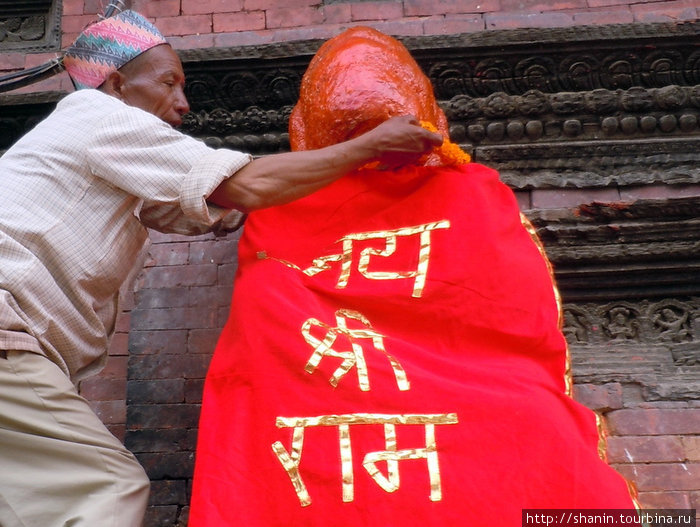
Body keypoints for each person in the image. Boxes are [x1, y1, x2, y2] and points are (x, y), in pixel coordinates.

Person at [0, 10, 442, 527]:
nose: (183, 104)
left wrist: (339, 178)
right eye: (168, 83)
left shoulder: (124, 173)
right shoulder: (93, 113)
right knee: (104, 489)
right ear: (118, 85)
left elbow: (233, 206)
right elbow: (248, 185)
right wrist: (364, 147)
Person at [189, 26, 639, 526]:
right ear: (436, 123)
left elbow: (505, 323)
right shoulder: (277, 204)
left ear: (301, 130)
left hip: (382, 414)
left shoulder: (283, 200)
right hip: (358, 404)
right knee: (530, 421)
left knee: (530, 419)